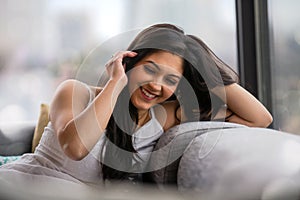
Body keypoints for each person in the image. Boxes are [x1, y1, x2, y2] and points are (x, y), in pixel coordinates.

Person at [0, 23, 272, 187]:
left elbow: (259, 118)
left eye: (171, 79)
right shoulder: (75, 92)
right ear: (130, 61)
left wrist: (200, 60)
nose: (157, 85)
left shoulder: (163, 117)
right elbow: (76, 147)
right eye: (150, 69)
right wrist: (116, 83)